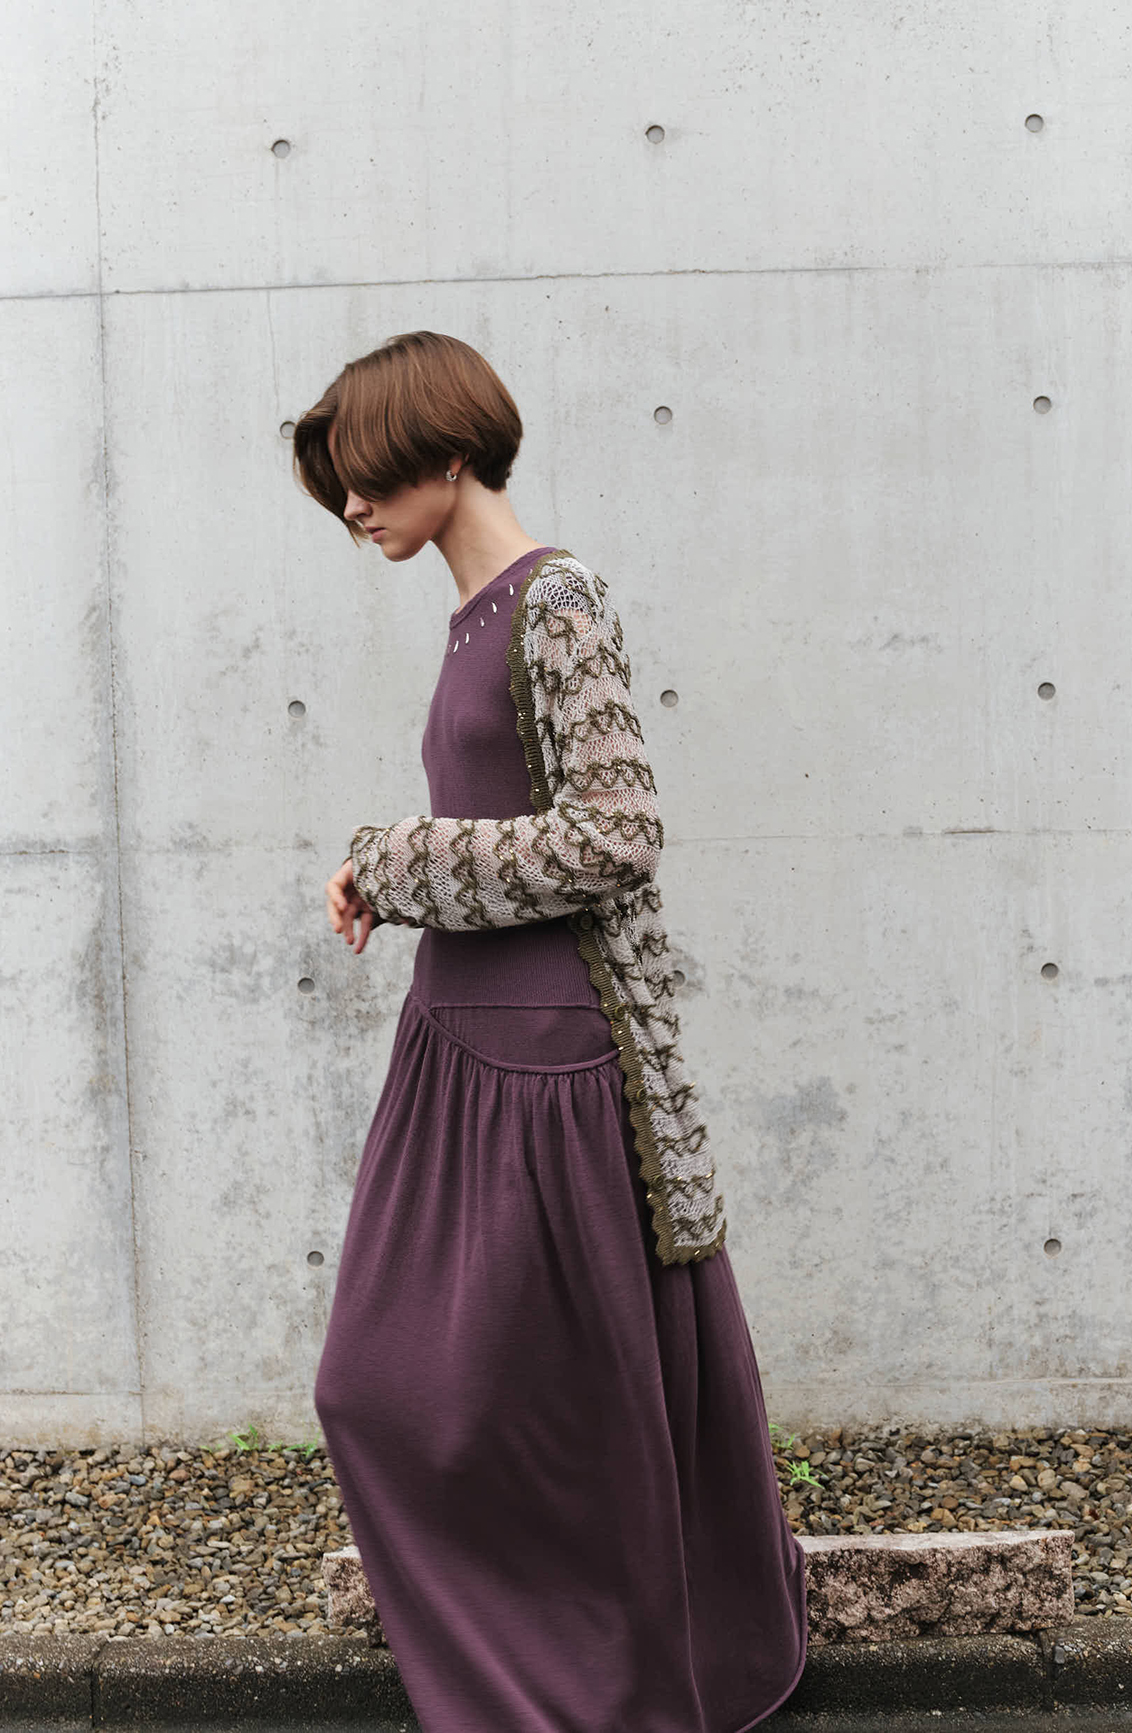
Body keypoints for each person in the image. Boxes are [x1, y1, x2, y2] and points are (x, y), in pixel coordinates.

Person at [293, 330, 806, 1733]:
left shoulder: (554, 602)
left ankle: (592, 1688)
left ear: (452, 451)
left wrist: (400, 857)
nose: (352, 507)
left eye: (368, 476)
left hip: (547, 1056)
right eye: (339, 488)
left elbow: (615, 834)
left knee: (551, 1404)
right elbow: (510, 825)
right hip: (461, 1041)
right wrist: (397, 876)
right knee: (379, 1383)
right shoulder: (476, 619)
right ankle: (546, 1672)